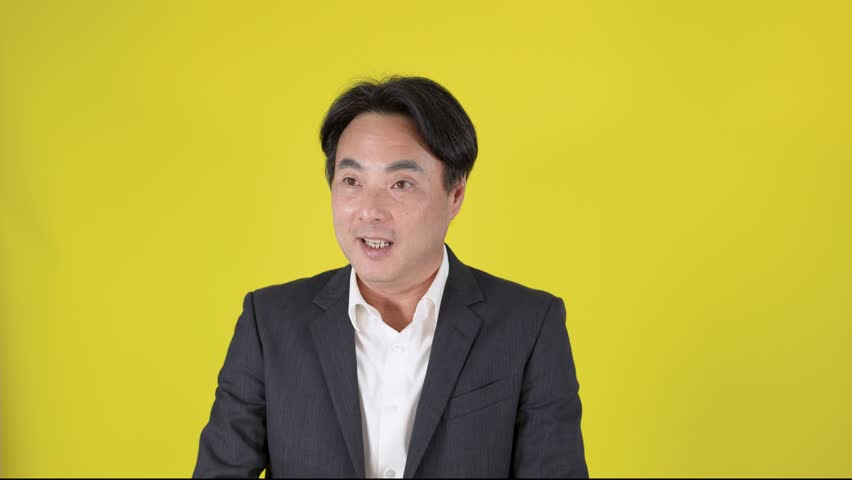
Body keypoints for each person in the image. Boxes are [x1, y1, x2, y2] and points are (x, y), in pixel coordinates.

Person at [193, 76, 588, 478]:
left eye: (400, 184)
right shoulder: (270, 322)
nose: (370, 211)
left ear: (455, 195)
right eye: (352, 181)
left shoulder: (529, 325)